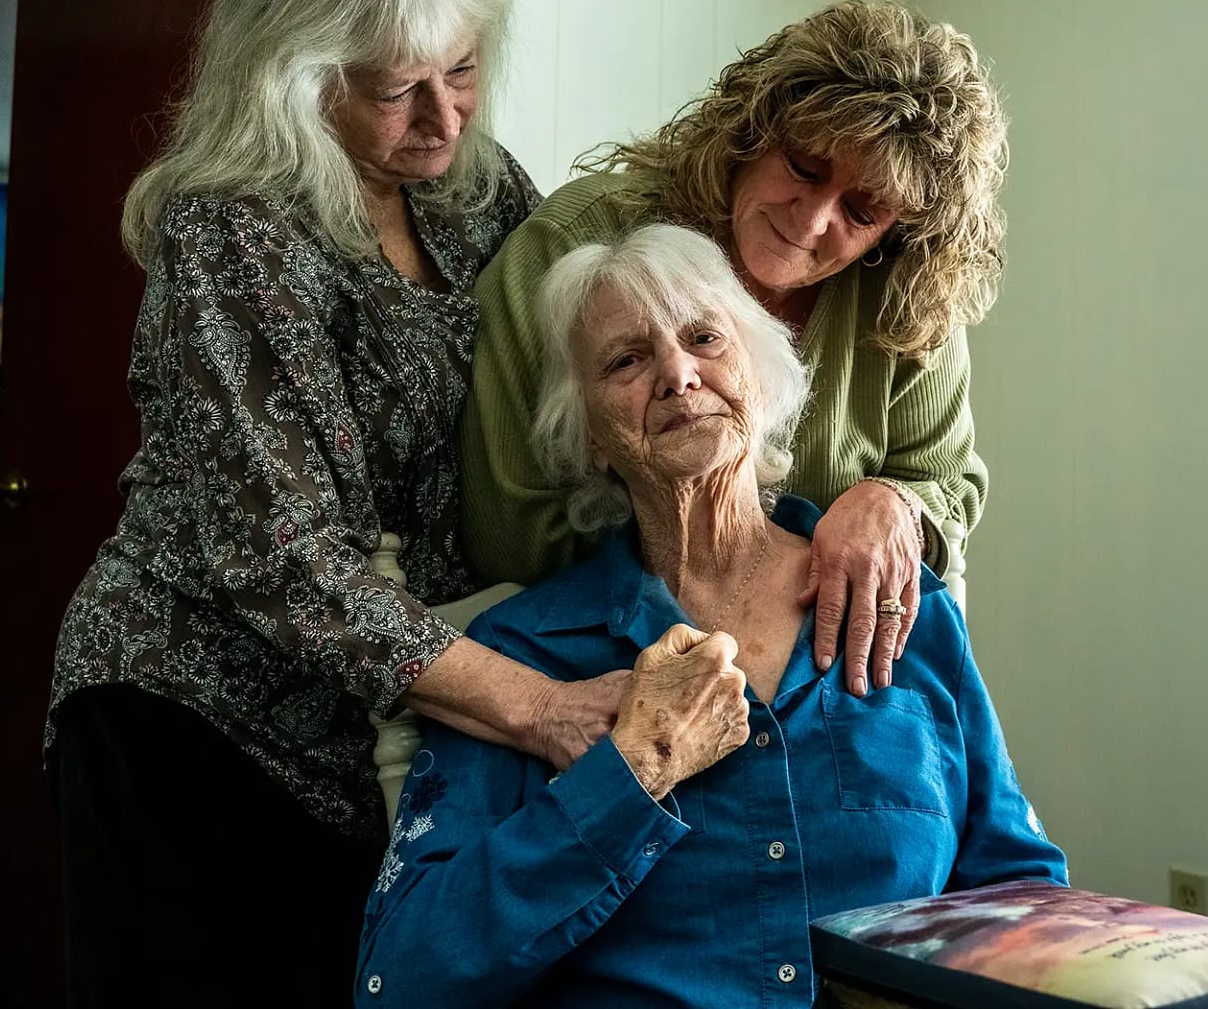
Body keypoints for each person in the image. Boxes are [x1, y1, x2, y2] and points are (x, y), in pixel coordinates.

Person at [46, 0, 627, 1005]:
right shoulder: (233, 229)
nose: (443, 116)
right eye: (393, 89)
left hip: (384, 717)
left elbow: (588, 337)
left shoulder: (483, 189)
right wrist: (543, 705)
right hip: (193, 708)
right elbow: (283, 555)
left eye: (461, 70)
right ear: (296, 78)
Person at [356, 225, 1066, 1006]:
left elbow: (1015, 889)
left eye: (703, 338)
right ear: (590, 437)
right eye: (627, 360)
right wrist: (632, 772)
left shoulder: (903, 606)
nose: (677, 374)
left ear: (759, 378)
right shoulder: (519, 654)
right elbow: (403, 975)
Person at [462, 0, 1008, 700]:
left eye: (862, 212)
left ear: (896, 235)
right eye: (805, 168)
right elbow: (511, 526)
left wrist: (892, 502)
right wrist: (723, 582)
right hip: (602, 673)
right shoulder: (577, 242)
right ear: (751, 132)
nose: (811, 221)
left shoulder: (904, 300)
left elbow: (948, 483)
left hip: (829, 676)